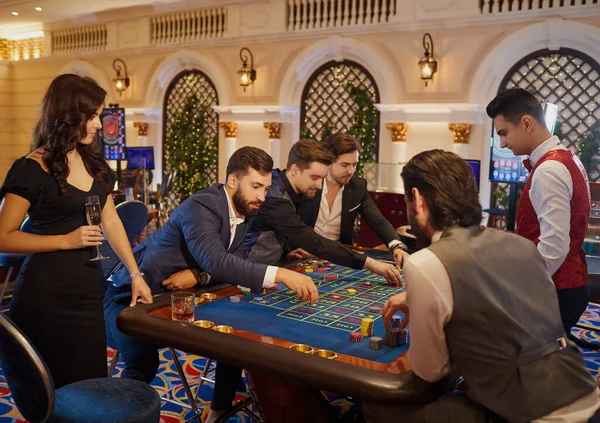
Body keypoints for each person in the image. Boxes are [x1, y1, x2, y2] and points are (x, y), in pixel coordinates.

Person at [361, 149, 600, 423]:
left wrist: (432, 309)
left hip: (533, 416)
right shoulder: (522, 246)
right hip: (585, 396)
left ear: (417, 200)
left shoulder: (426, 262)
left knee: (378, 405)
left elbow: (431, 372)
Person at [103, 146, 318, 423]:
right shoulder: (201, 206)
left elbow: (230, 264)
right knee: (144, 361)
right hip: (129, 298)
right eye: (255, 186)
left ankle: (218, 410)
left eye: (265, 188)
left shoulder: (244, 211)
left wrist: (199, 275)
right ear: (232, 181)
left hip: (178, 298)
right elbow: (217, 261)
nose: (262, 196)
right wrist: (280, 274)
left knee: (235, 334)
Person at [0, 74, 153, 389]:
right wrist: (66, 240)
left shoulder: (94, 163)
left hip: (86, 291)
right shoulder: (32, 167)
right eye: (93, 115)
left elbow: (111, 222)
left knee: (90, 385)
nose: (100, 124)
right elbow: (3, 237)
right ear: (69, 116)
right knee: (50, 393)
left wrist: (135, 273)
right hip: (44, 295)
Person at [487, 88, 591, 333]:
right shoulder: (566, 158)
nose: (502, 143)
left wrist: (518, 286)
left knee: (532, 364)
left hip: (555, 290)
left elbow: (553, 247)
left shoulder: (549, 170)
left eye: (504, 133)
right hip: (567, 283)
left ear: (526, 122)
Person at [246, 138, 401, 286]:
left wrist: (286, 251)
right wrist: (371, 264)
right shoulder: (275, 196)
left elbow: (281, 228)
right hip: (246, 272)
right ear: (294, 170)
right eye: (314, 177)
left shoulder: (287, 185)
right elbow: (313, 242)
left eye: (322, 178)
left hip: (267, 268)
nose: (319, 185)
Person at [297, 133, 409, 268]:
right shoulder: (311, 183)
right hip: (303, 254)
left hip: (338, 256)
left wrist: (396, 245)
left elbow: (377, 220)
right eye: (344, 165)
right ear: (329, 161)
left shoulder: (357, 187)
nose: (350, 171)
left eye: (354, 165)